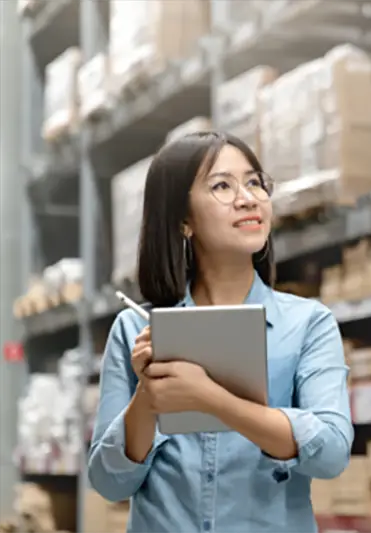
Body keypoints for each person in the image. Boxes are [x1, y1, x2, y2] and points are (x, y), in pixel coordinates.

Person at [88, 131, 354, 532]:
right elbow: (109, 482)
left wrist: (208, 397)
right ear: (183, 220)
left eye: (254, 182)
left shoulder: (307, 325)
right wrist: (149, 392)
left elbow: (332, 453)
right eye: (222, 186)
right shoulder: (134, 330)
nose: (247, 198)